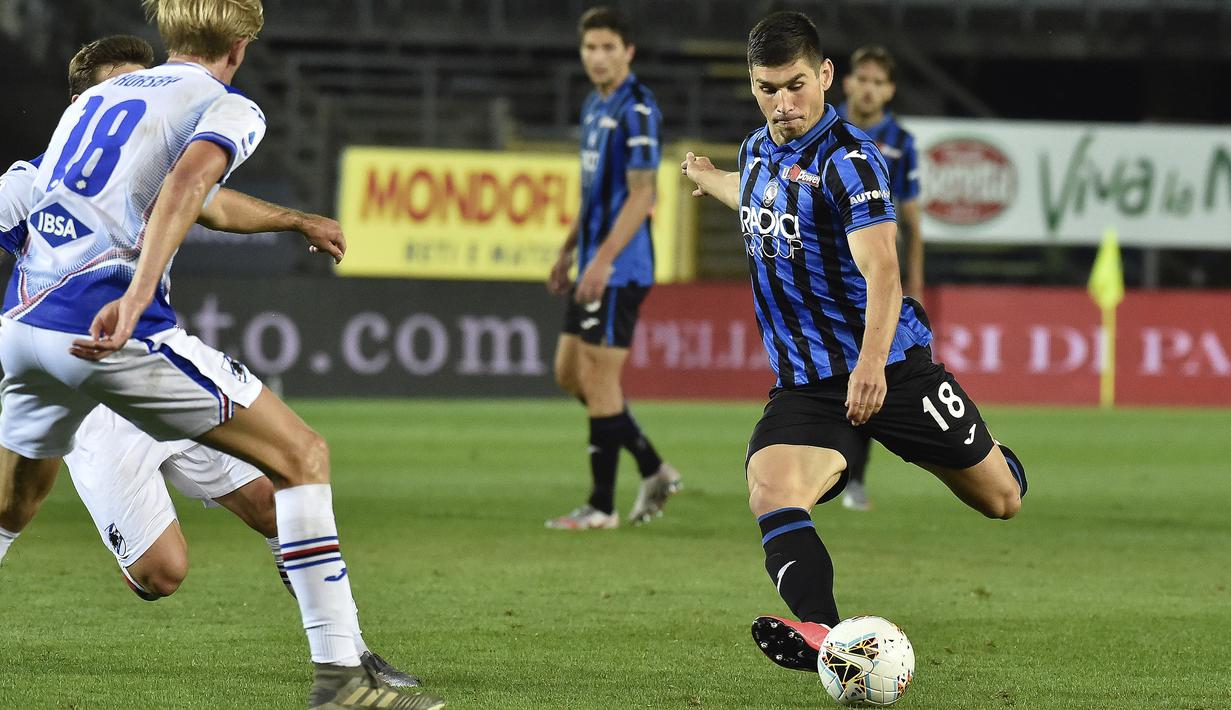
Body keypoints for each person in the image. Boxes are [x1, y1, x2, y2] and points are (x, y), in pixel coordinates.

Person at [0, 2, 441, 707]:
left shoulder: (94, 113)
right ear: (239, 46)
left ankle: (351, 652)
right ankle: (341, 683)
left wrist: (294, 219)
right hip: (107, 346)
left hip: (33, 331)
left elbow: (205, 200)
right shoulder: (218, 103)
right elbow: (187, 186)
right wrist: (138, 295)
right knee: (289, 466)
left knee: (19, 504)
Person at [680, 11, 1027, 674]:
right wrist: (710, 176)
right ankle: (826, 633)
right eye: (767, 89)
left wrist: (870, 367)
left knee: (1000, 500)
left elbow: (883, 271)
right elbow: (754, 196)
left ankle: (994, 459)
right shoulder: (755, 151)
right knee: (770, 489)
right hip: (807, 384)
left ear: (824, 75)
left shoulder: (850, 160)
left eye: (795, 85)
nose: (783, 104)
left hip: (889, 366)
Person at [545, 6, 680, 530]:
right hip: (593, 263)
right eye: (590, 48)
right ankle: (653, 467)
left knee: (600, 381)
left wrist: (601, 260)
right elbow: (593, 192)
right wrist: (568, 251)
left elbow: (643, 194)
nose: (597, 57)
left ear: (628, 52)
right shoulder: (593, 104)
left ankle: (601, 506)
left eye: (608, 48)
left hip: (621, 268)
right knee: (569, 374)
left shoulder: (637, 109)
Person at [836, 45, 925, 512]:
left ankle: (853, 478)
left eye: (878, 82)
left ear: (889, 91)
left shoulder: (900, 143)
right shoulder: (824, 128)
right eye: (863, 79)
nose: (868, 89)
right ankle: (835, 474)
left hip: (873, 277)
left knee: (873, 369)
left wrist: (914, 284)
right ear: (847, 82)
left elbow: (911, 224)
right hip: (829, 271)